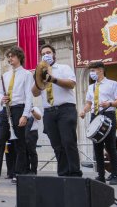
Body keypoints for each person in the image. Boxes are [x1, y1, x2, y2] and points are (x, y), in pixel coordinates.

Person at [31, 44, 82, 177]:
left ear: (54, 55)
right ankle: (64, 174)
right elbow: (35, 93)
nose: (46, 55)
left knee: (68, 141)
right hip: (49, 112)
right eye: (43, 53)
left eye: (48, 52)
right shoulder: (39, 71)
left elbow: (71, 84)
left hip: (65, 109)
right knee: (57, 145)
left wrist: (52, 79)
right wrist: (38, 79)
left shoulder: (63, 68)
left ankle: (75, 173)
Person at [0, 46, 33, 184]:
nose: (10, 59)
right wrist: (2, 99)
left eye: (12, 56)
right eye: (8, 57)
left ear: (19, 57)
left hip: (19, 109)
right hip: (5, 110)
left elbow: (29, 96)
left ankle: (19, 173)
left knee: (20, 144)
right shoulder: (5, 75)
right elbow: (1, 93)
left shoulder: (27, 74)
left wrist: (25, 115)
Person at [80, 61, 117, 185]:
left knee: (110, 146)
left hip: (108, 114)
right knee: (97, 147)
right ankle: (101, 175)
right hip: (95, 116)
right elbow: (89, 103)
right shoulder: (91, 87)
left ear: (101, 70)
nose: (92, 73)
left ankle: (115, 175)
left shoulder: (112, 84)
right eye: (91, 71)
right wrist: (83, 111)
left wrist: (109, 103)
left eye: (93, 70)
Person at [25, 107, 42, 175]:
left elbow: (39, 117)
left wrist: (31, 110)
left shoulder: (35, 108)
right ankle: (26, 170)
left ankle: (33, 171)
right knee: (24, 152)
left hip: (32, 132)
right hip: (23, 132)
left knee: (32, 152)